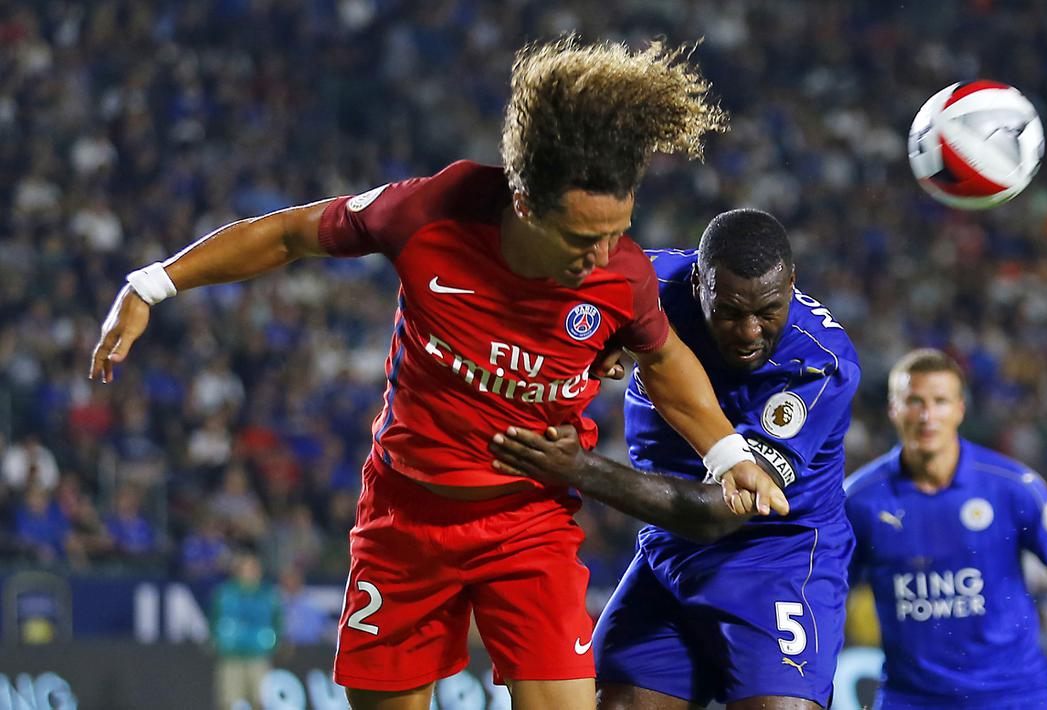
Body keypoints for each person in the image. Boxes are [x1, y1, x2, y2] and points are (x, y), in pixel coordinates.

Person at [88, 37, 785, 710]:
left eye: (615, 231)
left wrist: (727, 455)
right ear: (523, 202)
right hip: (405, 516)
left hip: (527, 521)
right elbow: (290, 233)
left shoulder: (621, 276)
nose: (600, 253)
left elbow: (663, 361)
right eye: (580, 239)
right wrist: (152, 285)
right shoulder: (427, 213)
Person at [491, 208, 860, 709]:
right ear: (697, 285)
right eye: (729, 311)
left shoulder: (817, 362)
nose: (750, 331)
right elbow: (545, 294)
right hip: (667, 549)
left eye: (769, 310)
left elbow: (718, 514)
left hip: (777, 556)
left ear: (792, 282)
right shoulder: (647, 284)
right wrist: (592, 338)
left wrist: (577, 468)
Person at [843, 349, 1047, 710]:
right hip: (912, 700)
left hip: (1015, 697)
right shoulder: (859, 500)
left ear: (959, 409)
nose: (927, 416)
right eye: (914, 401)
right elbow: (827, 596)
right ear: (893, 410)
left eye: (940, 402)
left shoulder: (1011, 486)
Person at [211, 550, 281, 710]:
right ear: (238, 571)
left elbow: (277, 621)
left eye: (254, 568)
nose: (252, 572)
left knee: (261, 701)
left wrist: (274, 642)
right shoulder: (225, 594)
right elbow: (214, 621)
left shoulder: (268, 595)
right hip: (231, 656)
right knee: (229, 701)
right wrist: (217, 641)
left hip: (258, 655)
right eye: (248, 568)